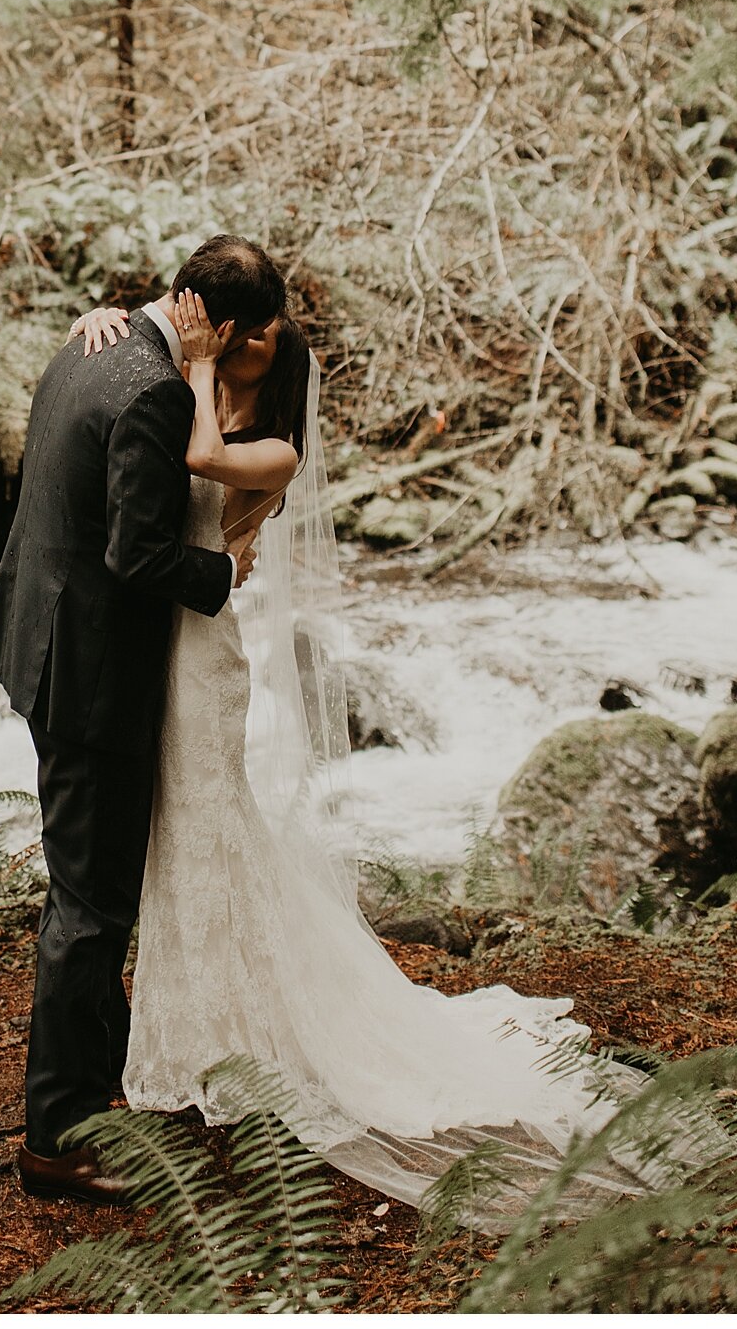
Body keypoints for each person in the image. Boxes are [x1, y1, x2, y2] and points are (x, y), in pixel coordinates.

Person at [67, 290, 678, 1228]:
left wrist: (185, 359)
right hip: (159, 645)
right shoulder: (188, 390)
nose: (237, 343)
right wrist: (111, 319)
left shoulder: (273, 449)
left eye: (258, 340)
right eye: (239, 332)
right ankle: (194, 1025)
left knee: (206, 827)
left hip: (200, 655)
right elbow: (147, 433)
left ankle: (233, 1038)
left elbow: (196, 462)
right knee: (180, 837)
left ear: (278, 368)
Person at [0, 235, 286, 1205]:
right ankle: (58, 1135)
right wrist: (223, 572)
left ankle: (87, 1098)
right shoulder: (154, 388)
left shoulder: (93, 343)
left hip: (47, 642)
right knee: (91, 903)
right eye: (248, 343)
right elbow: (141, 552)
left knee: (87, 889)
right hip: (93, 676)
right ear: (219, 328)